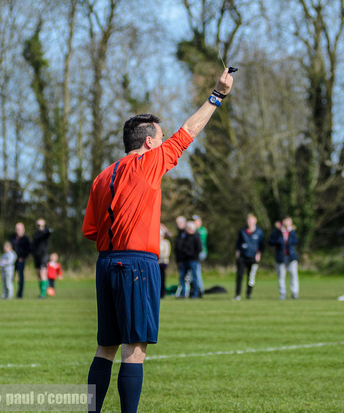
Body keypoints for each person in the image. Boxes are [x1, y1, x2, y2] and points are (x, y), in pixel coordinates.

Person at [82, 68, 234, 413]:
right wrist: (218, 94)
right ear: (149, 142)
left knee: (105, 347)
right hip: (137, 264)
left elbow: (91, 231)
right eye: (160, 138)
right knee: (134, 349)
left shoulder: (101, 177)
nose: (165, 143)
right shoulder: (149, 163)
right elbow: (189, 132)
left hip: (105, 263)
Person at [234, 213, 265, 301]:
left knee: (251, 277)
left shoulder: (259, 232)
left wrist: (258, 255)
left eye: (251, 220)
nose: (250, 222)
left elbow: (261, 245)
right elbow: (238, 244)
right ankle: (237, 294)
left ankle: (248, 294)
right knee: (239, 276)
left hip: (253, 257)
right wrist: (237, 254)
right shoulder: (242, 231)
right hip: (243, 256)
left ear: (255, 221)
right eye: (248, 220)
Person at [269, 216, 299, 300]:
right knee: (281, 276)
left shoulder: (292, 232)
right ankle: (282, 294)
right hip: (280, 257)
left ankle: (294, 293)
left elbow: (296, 241)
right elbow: (270, 241)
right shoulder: (277, 232)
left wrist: (290, 233)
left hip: (291, 257)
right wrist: (279, 239)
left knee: (293, 275)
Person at [177, 221, 203, 298]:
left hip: (193, 260)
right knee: (182, 278)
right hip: (184, 260)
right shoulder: (183, 237)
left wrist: (192, 255)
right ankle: (183, 293)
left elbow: (199, 248)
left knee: (194, 278)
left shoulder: (196, 237)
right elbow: (179, 247)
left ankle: (195, 294)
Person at [10, 222, 32, 299]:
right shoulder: (12, 238)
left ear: (23, 230)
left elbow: (28, 249)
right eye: (17, 229)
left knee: (21, 277)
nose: (18, 231)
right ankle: (9, 293)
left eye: (19, 229)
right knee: (10, 277)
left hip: (20, 260)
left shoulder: (26, 239)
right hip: (12, 260)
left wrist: (23, 257)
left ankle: (20, 294)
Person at [33, 218, 52, 299]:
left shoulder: (45, 233)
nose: (39, 227)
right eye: (38, 225)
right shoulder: (35, 234)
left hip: (43, 256)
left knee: (42, 273)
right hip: (36, 256)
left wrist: (45, 228)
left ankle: (43, 294)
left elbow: (49, 232)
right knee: (39, 275)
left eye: (41, 225)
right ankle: (42, 291)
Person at [193, 215, 207, 296]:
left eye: (196, 221)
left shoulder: (202, 230)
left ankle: (200, 289)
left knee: (196, 270)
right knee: (195, 270)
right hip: (194, 253)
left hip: (201, 252)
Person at [158, 224, 171, 299]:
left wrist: (160, 257)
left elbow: (166, 253)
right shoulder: (156, 242)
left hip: (162, 262)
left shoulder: (166, 243)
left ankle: (162, 292)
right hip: (156, 262)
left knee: (162, 278)